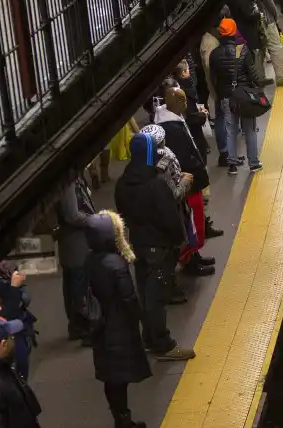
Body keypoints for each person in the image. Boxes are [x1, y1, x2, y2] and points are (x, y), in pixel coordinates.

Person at [114, 132, 196, 361]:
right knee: (157, 296)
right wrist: (178, 241)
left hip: (139, 245)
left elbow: (122, 213)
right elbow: (169, 217)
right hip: (161, 247)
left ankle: (148, 338)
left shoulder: (123, 182)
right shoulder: (156, 183)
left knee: (145, 293)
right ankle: (163, 344)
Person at [84, 211, 151, 428]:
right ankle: (124, 422)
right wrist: (140, 318)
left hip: (101, 328)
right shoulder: (116, 264)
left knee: (111, 378)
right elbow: (128, 297)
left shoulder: (89, 260)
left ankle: (120, 418)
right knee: (120, 378)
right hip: (119, 327)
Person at [156, 86, 218, 274]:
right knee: (190, 221)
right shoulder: (171, 128)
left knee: (195, 220)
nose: (185, 104)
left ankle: (194, 255)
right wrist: (197, 170)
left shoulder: (172, 121)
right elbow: (183, 156)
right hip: (186, 182)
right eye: (182, 100)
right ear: (173, 102)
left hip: (189, 181)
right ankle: (189, 260)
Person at [210, 18, 264, 175]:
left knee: (231, 130)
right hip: (244, 96)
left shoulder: (214, 55)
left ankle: (232, 165)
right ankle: (253, 163)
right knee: (250, 130)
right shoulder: (244, 50)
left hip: (226, 97)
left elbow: (214, 79)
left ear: (220, 33)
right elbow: (253, 75)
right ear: (234, 31)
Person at [56, 173, 96, 345]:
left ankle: (76, 324)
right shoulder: (67, 183)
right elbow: (72, 215)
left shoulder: (71, 179)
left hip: (71, 242)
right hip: (75, 242)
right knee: (79, 283)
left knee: (72, 282)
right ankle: (82, 324)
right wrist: (94, 220)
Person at [0, 262, 37, 379]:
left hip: (17, 330)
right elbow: (6, 314)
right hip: (5, 332)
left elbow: (24, 299)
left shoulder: (4, 271)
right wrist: (14, 287)